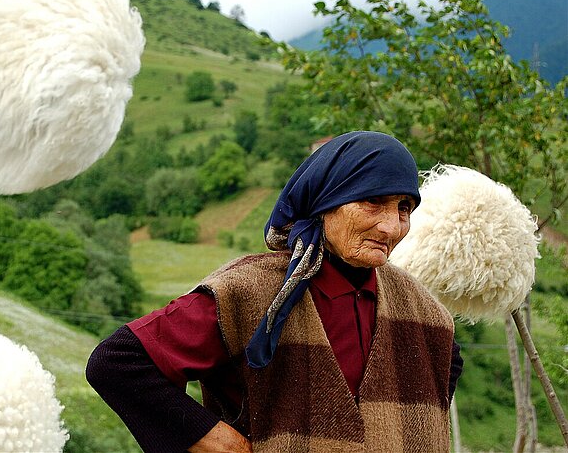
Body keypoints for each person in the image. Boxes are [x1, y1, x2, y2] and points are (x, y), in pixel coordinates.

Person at [86, 131, 464, 452]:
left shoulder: (420, 307)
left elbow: (444, 368)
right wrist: (209, 436)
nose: (391, 227)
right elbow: (118, 363)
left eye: (404, 208)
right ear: (325, 200)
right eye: (373, 202)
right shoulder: (251, 291)